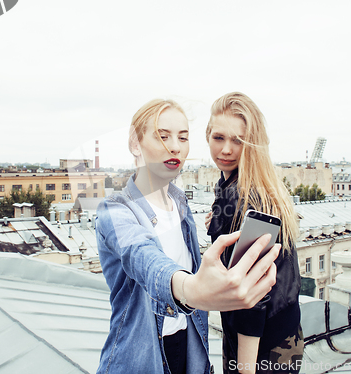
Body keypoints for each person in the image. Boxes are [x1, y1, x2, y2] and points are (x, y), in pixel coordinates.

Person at [95, 98, 282, 374]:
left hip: (190, 352)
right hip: (141, 357)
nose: (175, 147)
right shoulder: (115, 209)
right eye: (163, 136)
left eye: (183, 138)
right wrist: (192, 291)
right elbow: (143, 258)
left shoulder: (180, 201)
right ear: (135, 144)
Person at [205, 92, 304, 374]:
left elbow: (255, 291)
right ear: (208, 136)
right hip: (278, 331)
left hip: (263, 345)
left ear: (253, 145)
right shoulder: (235, 184)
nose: (226, 150)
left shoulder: (246, 197)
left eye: (238, 141)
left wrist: (245, 368)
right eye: (218, 138)